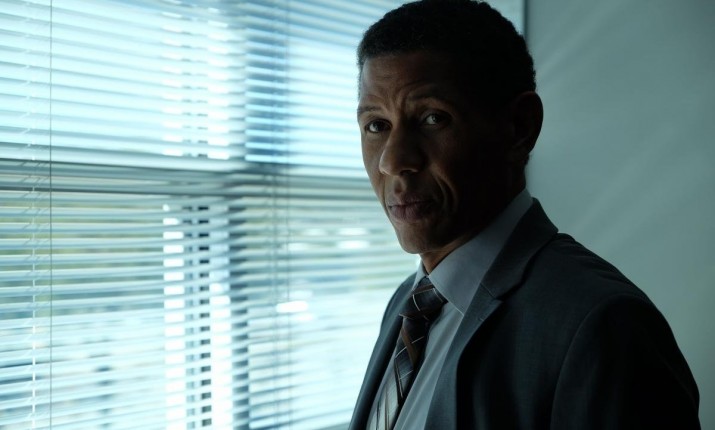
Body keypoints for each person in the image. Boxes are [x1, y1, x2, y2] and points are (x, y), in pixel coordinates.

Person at [349, 1, 701, 429]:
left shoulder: (604, 325)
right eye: (376, 125)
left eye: (432, 118)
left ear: (520, 127)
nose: (393, 161)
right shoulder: (406, 305)